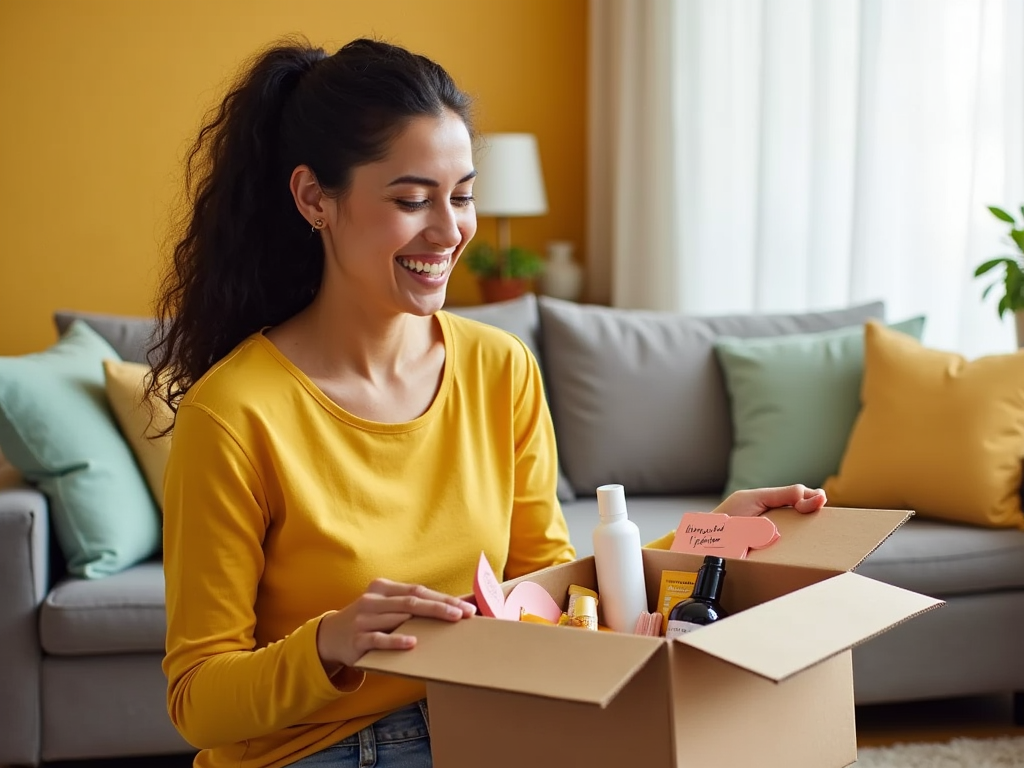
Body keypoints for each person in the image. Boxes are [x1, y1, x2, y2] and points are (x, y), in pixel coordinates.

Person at [148, 36, 827, 768]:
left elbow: (553, 599)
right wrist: (329, 642)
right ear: (315, 198)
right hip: (324, 751)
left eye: (463, 195)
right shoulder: (235, 413)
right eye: (412, 200)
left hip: (491, 722)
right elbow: (197, 700)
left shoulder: (500, 367)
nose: (449, 232)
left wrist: (705, 543)